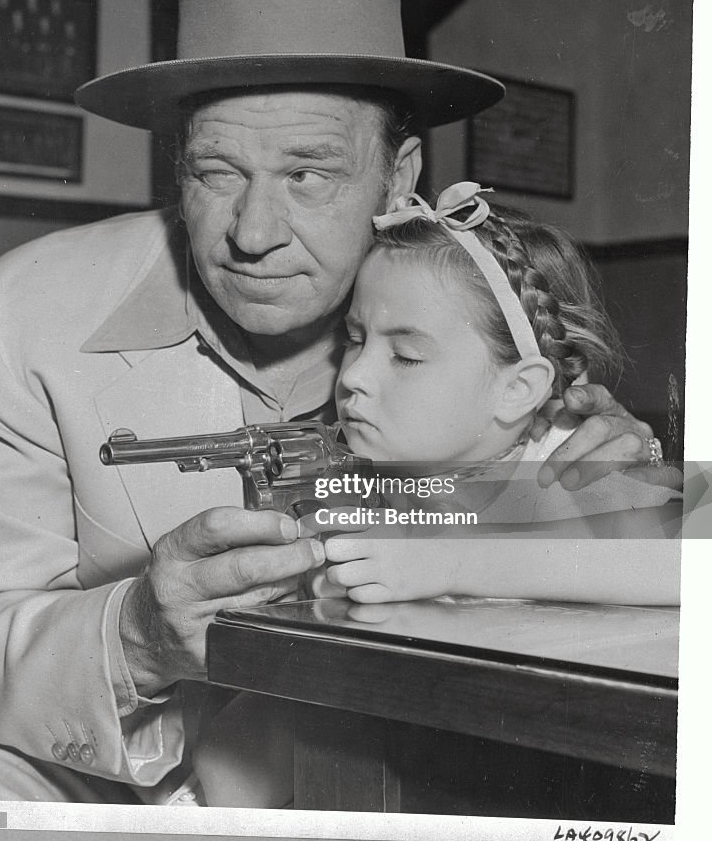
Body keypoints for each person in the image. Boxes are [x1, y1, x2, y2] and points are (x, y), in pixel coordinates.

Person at [0, 0, 677, 803]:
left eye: (309, 174)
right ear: (177, 167)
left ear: (398, 180)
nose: (254, 233)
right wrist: (139, 634)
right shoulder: (24, 313)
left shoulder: (453, 301)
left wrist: (591, 463)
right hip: (96, 773)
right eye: (217, 173)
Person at [192, 182, 681, 809]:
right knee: (229, 758)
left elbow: (690, 565)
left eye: (407, 356)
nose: (354, 378)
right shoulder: (375, 474)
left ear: (517, 390)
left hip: (557, 768)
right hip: (415, 754)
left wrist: (452, 560)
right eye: (357, 339)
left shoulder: (571, 461)